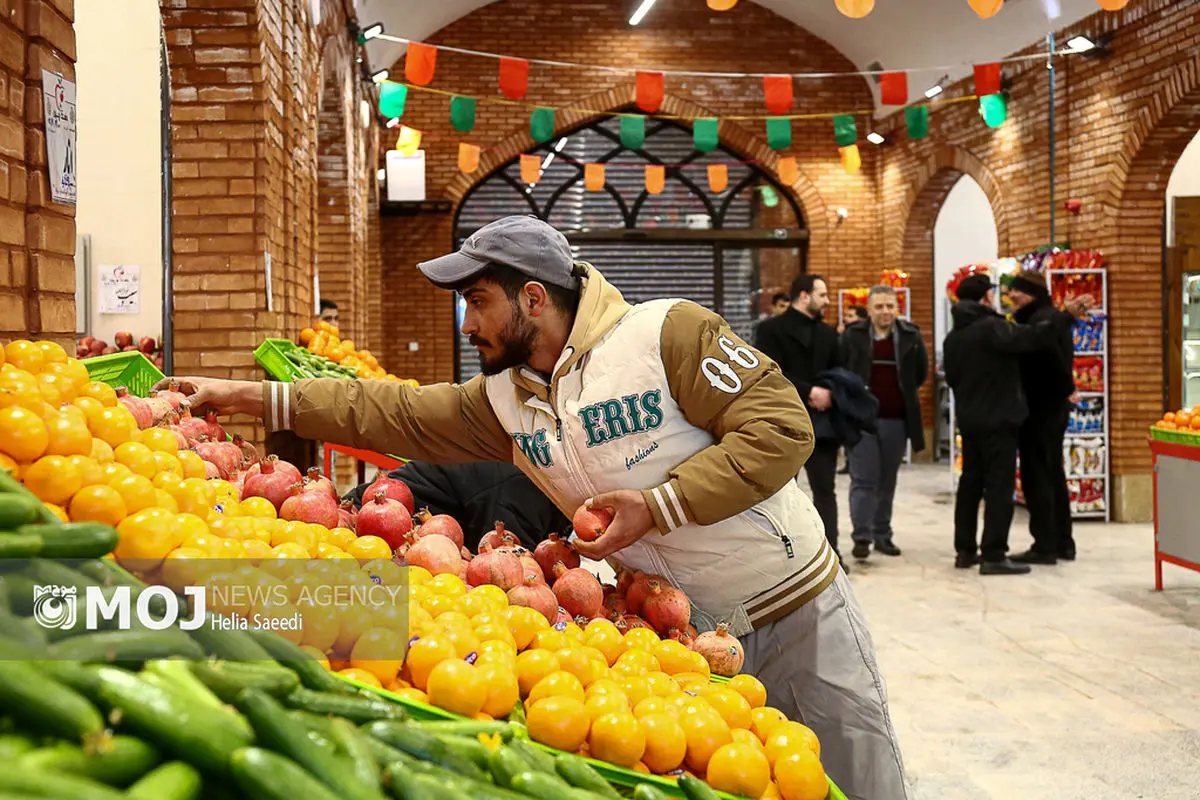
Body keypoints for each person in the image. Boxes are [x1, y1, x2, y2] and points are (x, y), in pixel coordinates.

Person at [163, 215, 909, 800]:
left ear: (533, 297)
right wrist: (250, 396)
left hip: (794, 608)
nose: (466, 325)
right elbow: (391, 411)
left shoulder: (665, 334)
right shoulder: (504, 399)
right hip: (688, 643)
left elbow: (781, 425)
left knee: (859, 778)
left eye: (477, 302)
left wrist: (662, 505)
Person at [944, 274, 1091, 575]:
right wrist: (1065, 317)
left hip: (970, 420)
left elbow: (953, 378)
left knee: (970, 484)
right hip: (1000, 420)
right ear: (986, 298)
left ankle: (965, 550)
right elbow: (1030, 339)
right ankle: (995, 554)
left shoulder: (954, 337)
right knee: (999, 486)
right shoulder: (992, 328)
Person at [754, 274, 844, 562]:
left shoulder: (829, 334)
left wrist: (830, 391)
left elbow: (840, 371)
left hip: (822, 423)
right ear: (804, 296)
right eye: (823, 295)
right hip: (783, 422)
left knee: (825, 490)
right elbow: (768, 373)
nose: (827, 301)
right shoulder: (770, 330)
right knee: (780, 493)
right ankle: (782, 555)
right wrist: (809, 392)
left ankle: (831, 553)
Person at [840, 285, 928, 560]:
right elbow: (842, 370)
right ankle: (862, 536)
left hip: (897, 420)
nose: (885, 311)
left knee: (887, 480)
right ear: (869, 310)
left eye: (890, 306)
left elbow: (920, 373)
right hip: (862, 421)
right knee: (864, 479)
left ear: (897, 307)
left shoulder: (911, 335)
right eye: (879, 306)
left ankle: (882, 534)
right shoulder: (853, 336)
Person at [1006, 271, 1077, 564]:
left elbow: (1053, 363)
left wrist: (1065, 389)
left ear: (1031, 294)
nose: (1010, 297)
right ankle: (1062, 542)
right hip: (1052, 409)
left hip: (1040, 410)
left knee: (1038, 478)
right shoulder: (1047, 317)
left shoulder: (1039, 321)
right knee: (1053, 474)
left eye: (1016, 292)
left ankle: (1045, 545)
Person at [344, 460, 569, 552]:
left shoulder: (548, 483)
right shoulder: (525, 495)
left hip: (416, 541)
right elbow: (508, 570)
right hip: (359, 523)